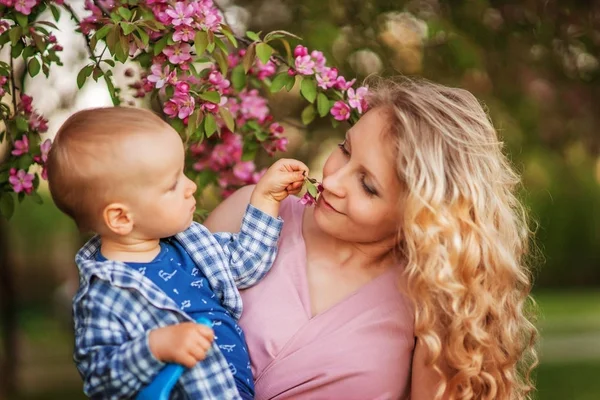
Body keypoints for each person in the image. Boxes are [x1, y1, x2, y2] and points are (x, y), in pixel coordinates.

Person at [205, 77, 538, 400]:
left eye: (367, 186)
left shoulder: (434, 304)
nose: (332, 181)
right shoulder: (253, 215)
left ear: (421, 213)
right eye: (345, 150)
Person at [46, 107, 308, 399]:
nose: (191, 186)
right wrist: (155, 347)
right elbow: (100, 377)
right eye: (173, 184)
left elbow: (245, 265)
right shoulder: (104, 295)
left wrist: (267, 199)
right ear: (121, 218)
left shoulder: (188, 245)